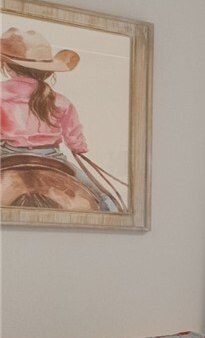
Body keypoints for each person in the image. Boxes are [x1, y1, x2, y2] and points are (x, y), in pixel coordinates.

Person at [0, 26, 119, 210]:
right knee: (104, 197)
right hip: (51, 156)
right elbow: (75, 137)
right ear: (46, 70)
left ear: (6, 65)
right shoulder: (59, 100)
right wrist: (78, 147)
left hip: (6, 153)